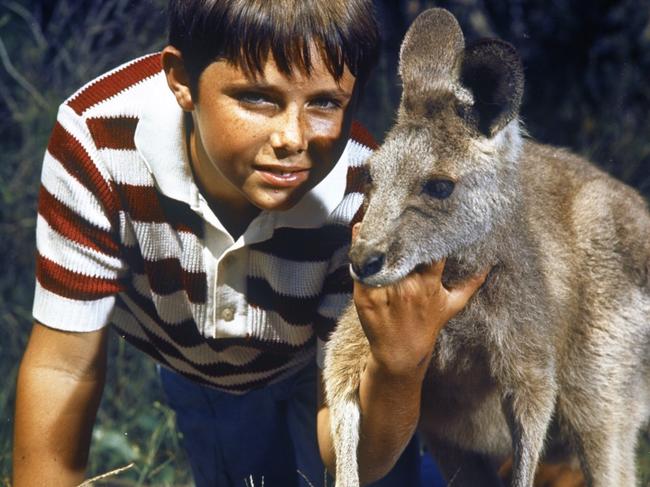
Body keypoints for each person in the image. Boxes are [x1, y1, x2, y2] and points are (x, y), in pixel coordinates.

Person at [12, 1, 485, 486]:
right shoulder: (97, 142)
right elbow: (62, 369)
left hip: (319, 363)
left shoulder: (364, 198)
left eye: (325, 103)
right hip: (195, 367)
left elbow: (346, 455)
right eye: (257, 98)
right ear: (181, 80)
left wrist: (400, 366)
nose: (293, 138)